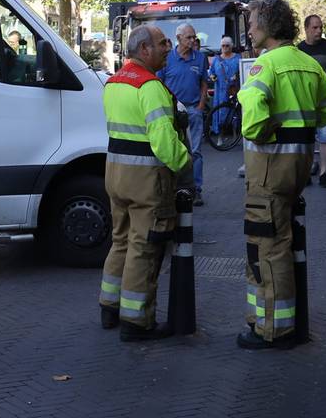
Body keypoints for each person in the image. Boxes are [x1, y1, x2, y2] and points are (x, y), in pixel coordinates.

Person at [236, 0, 326, 350]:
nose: (249, 30)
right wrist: (302, 126)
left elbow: (252, 123)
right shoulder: (308, 64)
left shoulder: (264, 66)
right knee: (281, 242)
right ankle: (276, 324)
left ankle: (272, 330)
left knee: (268, 248)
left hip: (268, 169)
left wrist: (267, 130)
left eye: (252, 23)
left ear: (267, 25)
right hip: (298, 167)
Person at [98, 25, 191, 341]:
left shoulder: (113, 83)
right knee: (144, 247)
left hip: (115, 174)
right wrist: (186, 164)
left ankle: (110, 306)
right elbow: (164, 143)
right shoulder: (150, 87)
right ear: (144, 50)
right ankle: (137, 322)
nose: (168, 47)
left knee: (120, 239)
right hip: (146, 181)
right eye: (162, 43)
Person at [157, 24, 207, 205]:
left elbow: (204, 83)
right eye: (189, 38)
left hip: (193, 109)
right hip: (173, 111)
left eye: (194, 37)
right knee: (172, 149)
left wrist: (201, 105)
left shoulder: (200, 58)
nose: (193, 40)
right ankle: (174, 188)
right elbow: (159, 82)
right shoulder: (167, 58)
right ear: (178, 38)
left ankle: (196, 190)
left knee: (195, 151)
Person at [298, 15, 326, 188]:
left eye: (320, 27)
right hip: (305, 102)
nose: (319, 30)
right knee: (306, 138)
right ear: (306, 29)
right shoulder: (299, 49)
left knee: (325, 137)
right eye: (315, 27)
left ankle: (324, 173)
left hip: (325, 102)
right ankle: (306, 171)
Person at [208, 35, 241, 134]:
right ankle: (220, 135)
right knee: (219, 112)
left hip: (233, 89)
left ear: (231, 46)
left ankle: (236, 133)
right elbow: (211, 72)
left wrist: (238, 76)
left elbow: (243, 70)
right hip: (220, 90)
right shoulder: (217, 59)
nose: (225, 48)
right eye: (223, 46)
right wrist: (212, 76)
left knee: (234, 112)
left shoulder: (238, 58)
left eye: (227, 45)